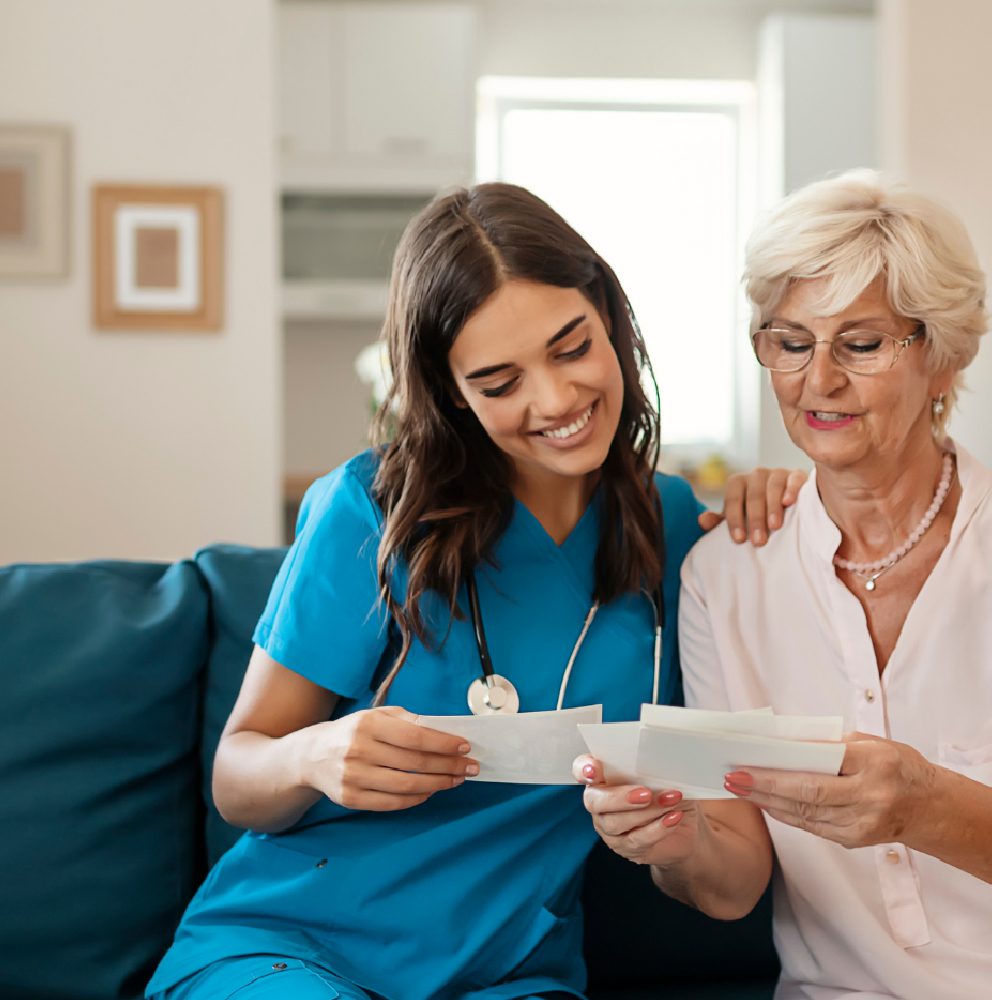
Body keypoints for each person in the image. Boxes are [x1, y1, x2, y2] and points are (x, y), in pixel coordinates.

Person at [579, 171, 992, 1000]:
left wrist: (922, 803)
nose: (817, 380)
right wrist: (673, 841)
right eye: (790, 341)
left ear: (944, 357)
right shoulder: (727, 573)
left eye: (860, 344)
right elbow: (735, 881)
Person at [146, 182, 800, 1000]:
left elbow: (732, 886)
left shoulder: (682, 536)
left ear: (610, 320)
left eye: (572, 348)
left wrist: (676, 833)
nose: (555, 401)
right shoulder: (371, 511)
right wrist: (314, 756)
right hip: (294, 950)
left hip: (509, 975)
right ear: (452, 391)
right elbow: (238, 777)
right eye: (499, 383)